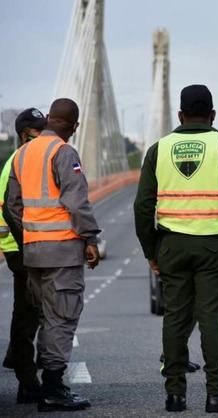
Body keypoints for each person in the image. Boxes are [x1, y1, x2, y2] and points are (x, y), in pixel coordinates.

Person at [134, 84, 218, 413]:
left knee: (174, 318)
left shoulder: (158, 149)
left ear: (180, 115)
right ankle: (217, 393)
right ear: (213, 114)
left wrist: (151, 251)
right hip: (215, 246)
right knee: (213, 318)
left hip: (172, 245)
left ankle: (175, 394)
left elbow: (143, 206)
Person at [5, 98, 100, 412]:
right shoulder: (63, 152)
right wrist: (89, 237)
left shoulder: (22, 155)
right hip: (62, 251)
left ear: (48, 118)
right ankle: (54, 388)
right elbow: (76, 202)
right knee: (62, 317)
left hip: (32, 253)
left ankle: (46, 385)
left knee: (46, 317)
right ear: (72, 125)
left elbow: (12, 206)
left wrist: (29, 239)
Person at [0, 108, 46, 403]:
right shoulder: (17, 163)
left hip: (27, 248)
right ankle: (27, 382)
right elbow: (10, 210)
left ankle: (18, 363)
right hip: (21, 250)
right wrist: (28, 246)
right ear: (24, 135)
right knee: (29, 316)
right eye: (38, 131)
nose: (44, 136)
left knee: (31, 314)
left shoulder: (28, 160)